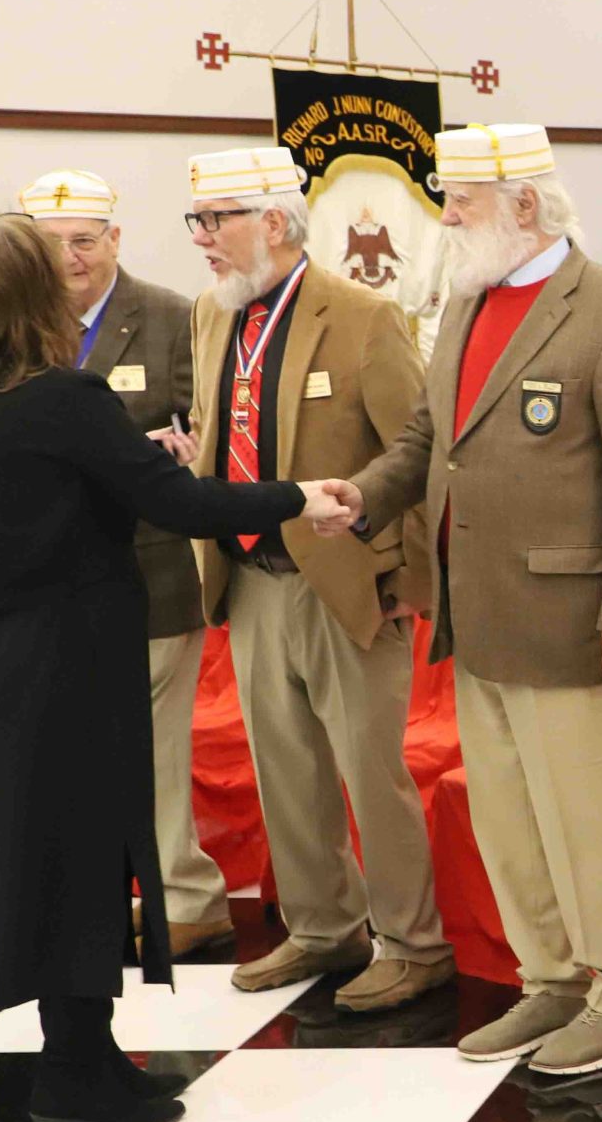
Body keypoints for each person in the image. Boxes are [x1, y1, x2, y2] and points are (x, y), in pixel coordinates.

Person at [0, 214, 357, 1122]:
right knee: (83, 857)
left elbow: (30, 495)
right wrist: (298, 495)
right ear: (36, 292)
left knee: (35, 857)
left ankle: (84, 1049)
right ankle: (78, 1070)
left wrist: (121, 465)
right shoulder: (63, 396)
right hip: (69, 660)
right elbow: (180, 504)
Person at [347, 123, 602, 1076]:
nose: (447, 219)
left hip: (572, 621)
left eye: (461, 201)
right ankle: (552, 981)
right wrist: (363, 497)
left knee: (587, 820)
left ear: (525, 205)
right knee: (508, 817)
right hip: (478, 612)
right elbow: (429, 438)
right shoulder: (466, 302)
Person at [177, 147, 452, 1014]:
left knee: (372, 773)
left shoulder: (364, 316)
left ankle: (413, 942)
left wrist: (406, 578)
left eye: (214, 219)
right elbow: (220, 422)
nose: (200, 238)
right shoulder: (212, 313)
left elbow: (416, 453)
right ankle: (325, 926)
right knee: (285, 770)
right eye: (195, 220)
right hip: (249, 574)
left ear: (272, 221)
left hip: (346, 582)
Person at [18, 168, 230, 956]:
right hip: (54, 578)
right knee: (82, 749)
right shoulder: (19, 324)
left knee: (155, 748)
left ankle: (187, 897)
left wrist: (164, 452)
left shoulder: (173, 317)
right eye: (52, 244)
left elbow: (208, 434)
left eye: (84, 240)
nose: (69, 258)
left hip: (151, 571)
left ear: (115, 239)